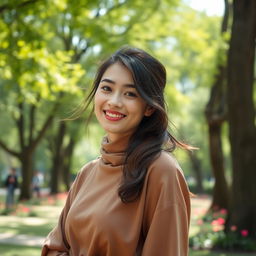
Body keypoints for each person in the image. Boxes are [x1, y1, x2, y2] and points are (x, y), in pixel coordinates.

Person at [42, 47, 191, 256]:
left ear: (149, 107)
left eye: (130, 93)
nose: (114, 101)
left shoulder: (161, 170)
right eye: (106, 89)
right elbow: (56, 247)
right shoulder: (88, 173)